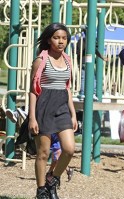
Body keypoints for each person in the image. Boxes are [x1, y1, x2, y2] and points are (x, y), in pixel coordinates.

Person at [29, 23, 77, 199]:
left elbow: (67, 88)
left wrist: (73, 114)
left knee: (69, 149)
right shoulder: (41, 61)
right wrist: (32, 117)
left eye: (64, 38)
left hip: (62, 107)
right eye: (57, 38)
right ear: (49, 39)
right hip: (44, 107)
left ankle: (53, 178)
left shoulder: (67, 60)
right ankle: (41, 190)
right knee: (43, 152)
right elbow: (33, 91)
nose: (61, 41)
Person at [76, 26, 107, 101]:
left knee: (84, 77)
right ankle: (92, 93)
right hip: (87, 61)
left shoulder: (81, 40)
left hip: (83, 61)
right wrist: (102, 57)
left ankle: (83, 93)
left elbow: (77, 52)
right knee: (93, 77)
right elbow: (95, 50)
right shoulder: (90, 41)